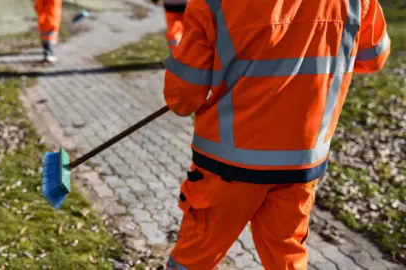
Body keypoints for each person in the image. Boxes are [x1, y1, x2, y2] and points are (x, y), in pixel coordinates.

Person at [162, 0, 390, 269]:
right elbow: (373, 58)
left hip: (227, 166)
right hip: (301, 163)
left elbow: (182, 99)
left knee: (195, 257)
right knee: (286, 256)